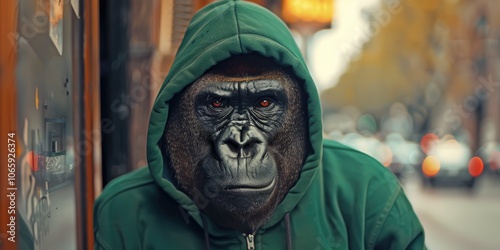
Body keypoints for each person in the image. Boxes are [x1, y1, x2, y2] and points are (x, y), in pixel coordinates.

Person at [93, 0, 426, 249]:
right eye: (217, 103)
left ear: (300, 115)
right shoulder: (125, 213)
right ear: (175, 116)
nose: (241, 141)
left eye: (265, 104)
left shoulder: (369, 196)